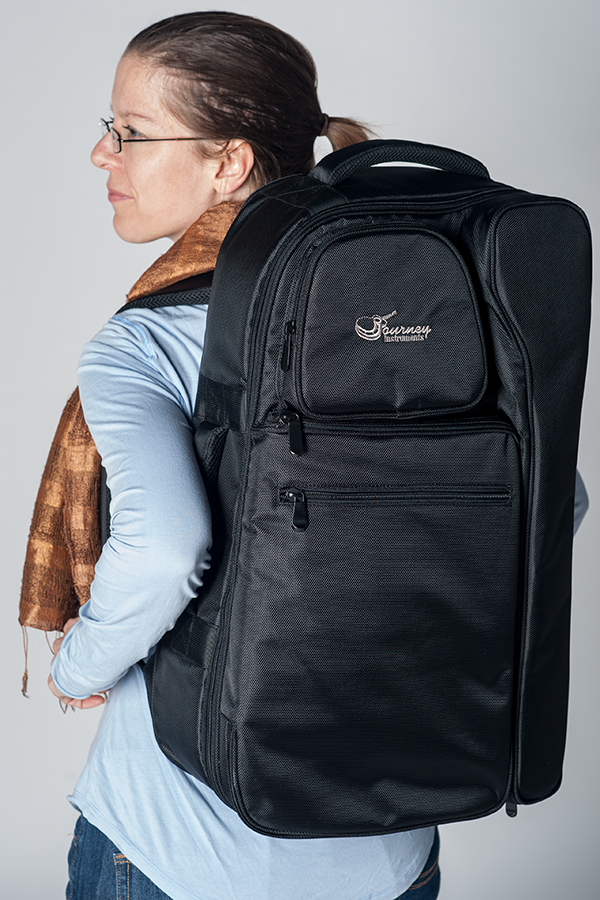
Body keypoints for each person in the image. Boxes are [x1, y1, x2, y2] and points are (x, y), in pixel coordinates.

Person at [19, 12, 442, 900]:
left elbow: (165, 551)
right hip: (390, 849)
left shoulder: (148, 340)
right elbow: (550, 501)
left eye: (131, 133)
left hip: (177, 853)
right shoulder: (414, 321)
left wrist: (80, 664)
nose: (102, 155)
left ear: (230, 162)